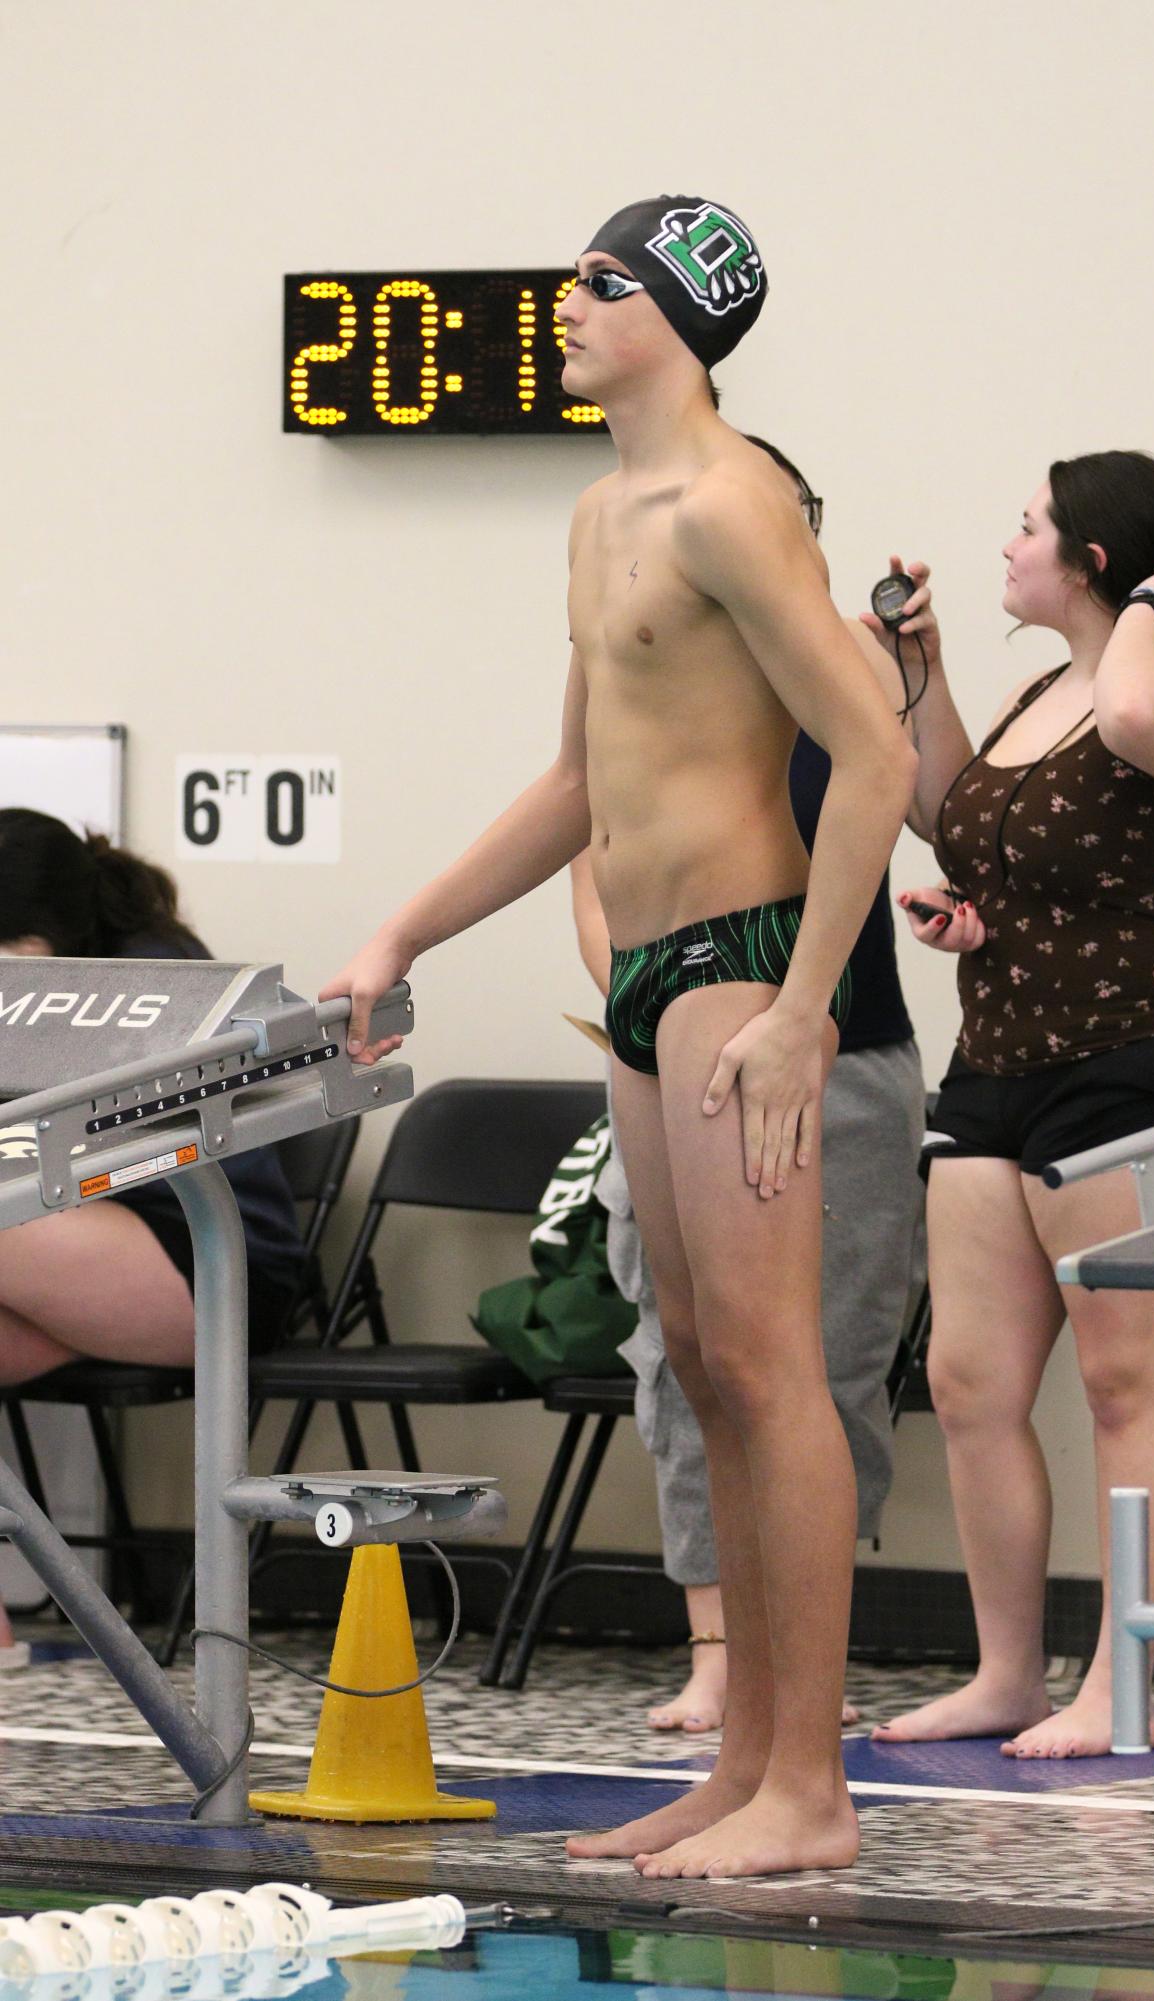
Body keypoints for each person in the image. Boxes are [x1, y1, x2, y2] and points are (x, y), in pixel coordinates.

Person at [322, 195, 917, 1878]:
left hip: (741, 961)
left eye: (597, 284)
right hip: (646, 976)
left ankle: (811, 1789)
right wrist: (401, 928)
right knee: (704, 1377)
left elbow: (869, 752)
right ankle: (743, 1769)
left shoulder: (735, 507)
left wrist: (806, 1007)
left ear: (676, 315)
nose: (563, 307)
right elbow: (578, 782)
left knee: (772, 1366)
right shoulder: (597, 517)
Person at [572, 436, 970, 1736]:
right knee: (683, 1354)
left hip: (838, 1051)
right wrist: (665, 1017)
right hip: (683, 1049)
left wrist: (921, 670)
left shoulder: (846, 660)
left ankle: (801, 1661)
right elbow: (597, 853)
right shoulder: (644, 657)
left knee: (827, 1362)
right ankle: (714, 1644)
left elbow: (937, 812)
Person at [872, 451, 1154, 1759]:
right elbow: (946, 811)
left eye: (1029, 526)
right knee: (970, 1375)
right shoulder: (1042, 690)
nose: (1006, 544)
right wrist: (921, 671)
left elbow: (1143, 726)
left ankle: (1123, 1677)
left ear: (1094, 560)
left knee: (1117, 1375)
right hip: (1002, 1053)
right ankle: (1003, 1671)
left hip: (1140, 1056)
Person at [0, 810, 306, 1663]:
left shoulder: (153, 979)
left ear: (44, 935)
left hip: (218, 1262)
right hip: (105, 1241)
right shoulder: (61, 965)